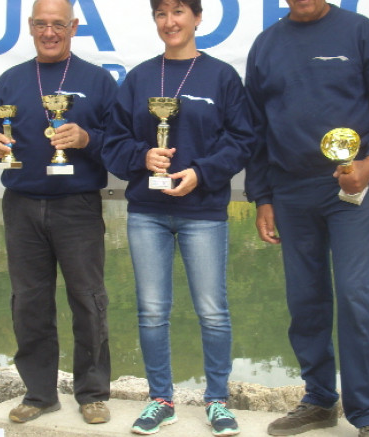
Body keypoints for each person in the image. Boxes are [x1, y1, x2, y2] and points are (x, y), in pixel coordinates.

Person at [244, 1, 369, 437]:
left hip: (350, 187)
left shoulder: (359, 32)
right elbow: (256, 131)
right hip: (290, 191)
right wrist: (262, 196)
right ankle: (319, 399)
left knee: (356, 295)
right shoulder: (266, 45)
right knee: (305, 300)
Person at [101, 1, 253, 435]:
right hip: (148, 213)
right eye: (161, 13)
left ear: (198, 18)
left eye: (179, 11)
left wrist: (201, 172)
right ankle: (160, 399)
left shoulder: (221, 76)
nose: (170, 21)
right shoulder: (139, 78)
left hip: (202, 211)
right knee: (151, 311)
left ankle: (218, 401)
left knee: (212, 311)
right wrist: (141, 155)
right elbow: (113, 141)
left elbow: (242, 139)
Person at [0, 0, 116, 425]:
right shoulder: (11, 80)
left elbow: (122, 145)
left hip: (78, 205)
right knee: (29, 302)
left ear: (74, 27)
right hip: (21, 206)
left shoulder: (98, 80)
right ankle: (39, 393)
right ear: (30, 27)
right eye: (41, 24)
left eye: (58, 24)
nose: (49, 32)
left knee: (88, 300)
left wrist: (88, 137)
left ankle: (92, 393)